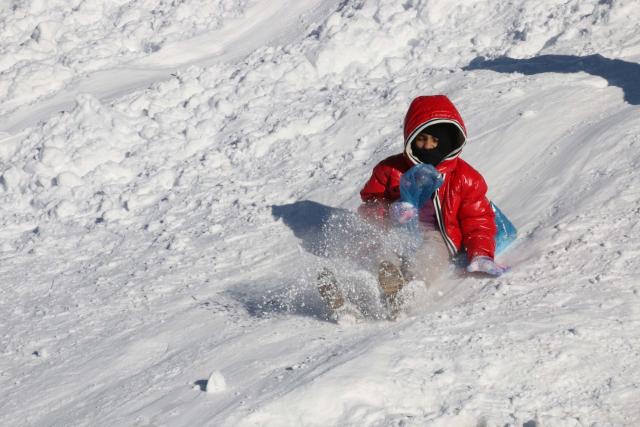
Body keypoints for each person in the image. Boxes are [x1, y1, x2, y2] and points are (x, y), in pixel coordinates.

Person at [318, 95, 508, 318]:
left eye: (435, 141)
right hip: (397, 232)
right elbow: (368, 207)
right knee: (382, 253)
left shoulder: (464, 177)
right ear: (410, 139)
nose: (427, 147)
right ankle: (356, 292)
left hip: (436, 236)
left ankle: (409, 292)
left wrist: (481, 254)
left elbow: (478, 219)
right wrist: (390, 212)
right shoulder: (390, 170)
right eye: (421, 140)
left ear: (448, 141)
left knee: (430, 257)